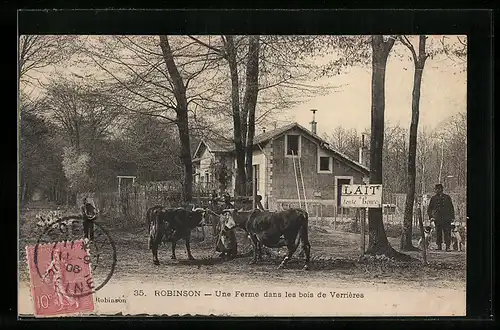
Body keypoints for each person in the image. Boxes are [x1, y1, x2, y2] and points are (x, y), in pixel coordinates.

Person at [427, 183, 456, 251]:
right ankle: (439, 246)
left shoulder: (447, 197)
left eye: (438, 189)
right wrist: (431, 216)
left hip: (446, 218)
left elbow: (451, 207)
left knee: (447, 232)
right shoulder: (433, 198)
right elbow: (429, 209)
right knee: (438, 232)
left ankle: (448, 246)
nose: (436, 190)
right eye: (436, 189)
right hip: (437, 218)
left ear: (441, 189)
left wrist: (452, 217)